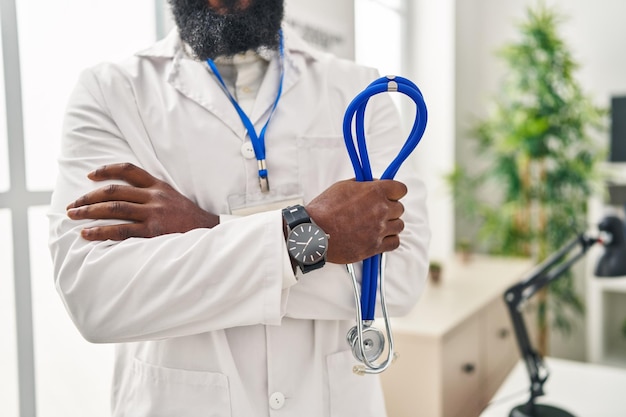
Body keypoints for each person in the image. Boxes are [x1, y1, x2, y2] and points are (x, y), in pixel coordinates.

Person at [48, 0, 430, 416]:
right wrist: (311, 233)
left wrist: (207, 226)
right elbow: (100, 295)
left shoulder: (360, 92)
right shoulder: (111, 94)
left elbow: (401, 280)